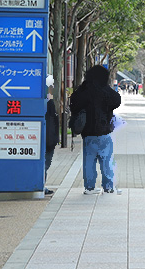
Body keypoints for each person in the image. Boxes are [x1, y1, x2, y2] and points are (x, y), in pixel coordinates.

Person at [70, 65, 121, 194]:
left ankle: (89, 187)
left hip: (88, 132)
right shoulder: (105, 90)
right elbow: (117, 100)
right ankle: (108, 187)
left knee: (89, 160)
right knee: (106, 160)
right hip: (104, 131)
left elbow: (73, 104)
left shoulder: (83, 90)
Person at [44, 75, 60, 196]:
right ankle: (41, 185)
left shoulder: (48, 101)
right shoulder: (48, 103)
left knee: (45, 163)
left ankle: (41, 184)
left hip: (48, 138)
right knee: (45, 163)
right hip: (48, 138)